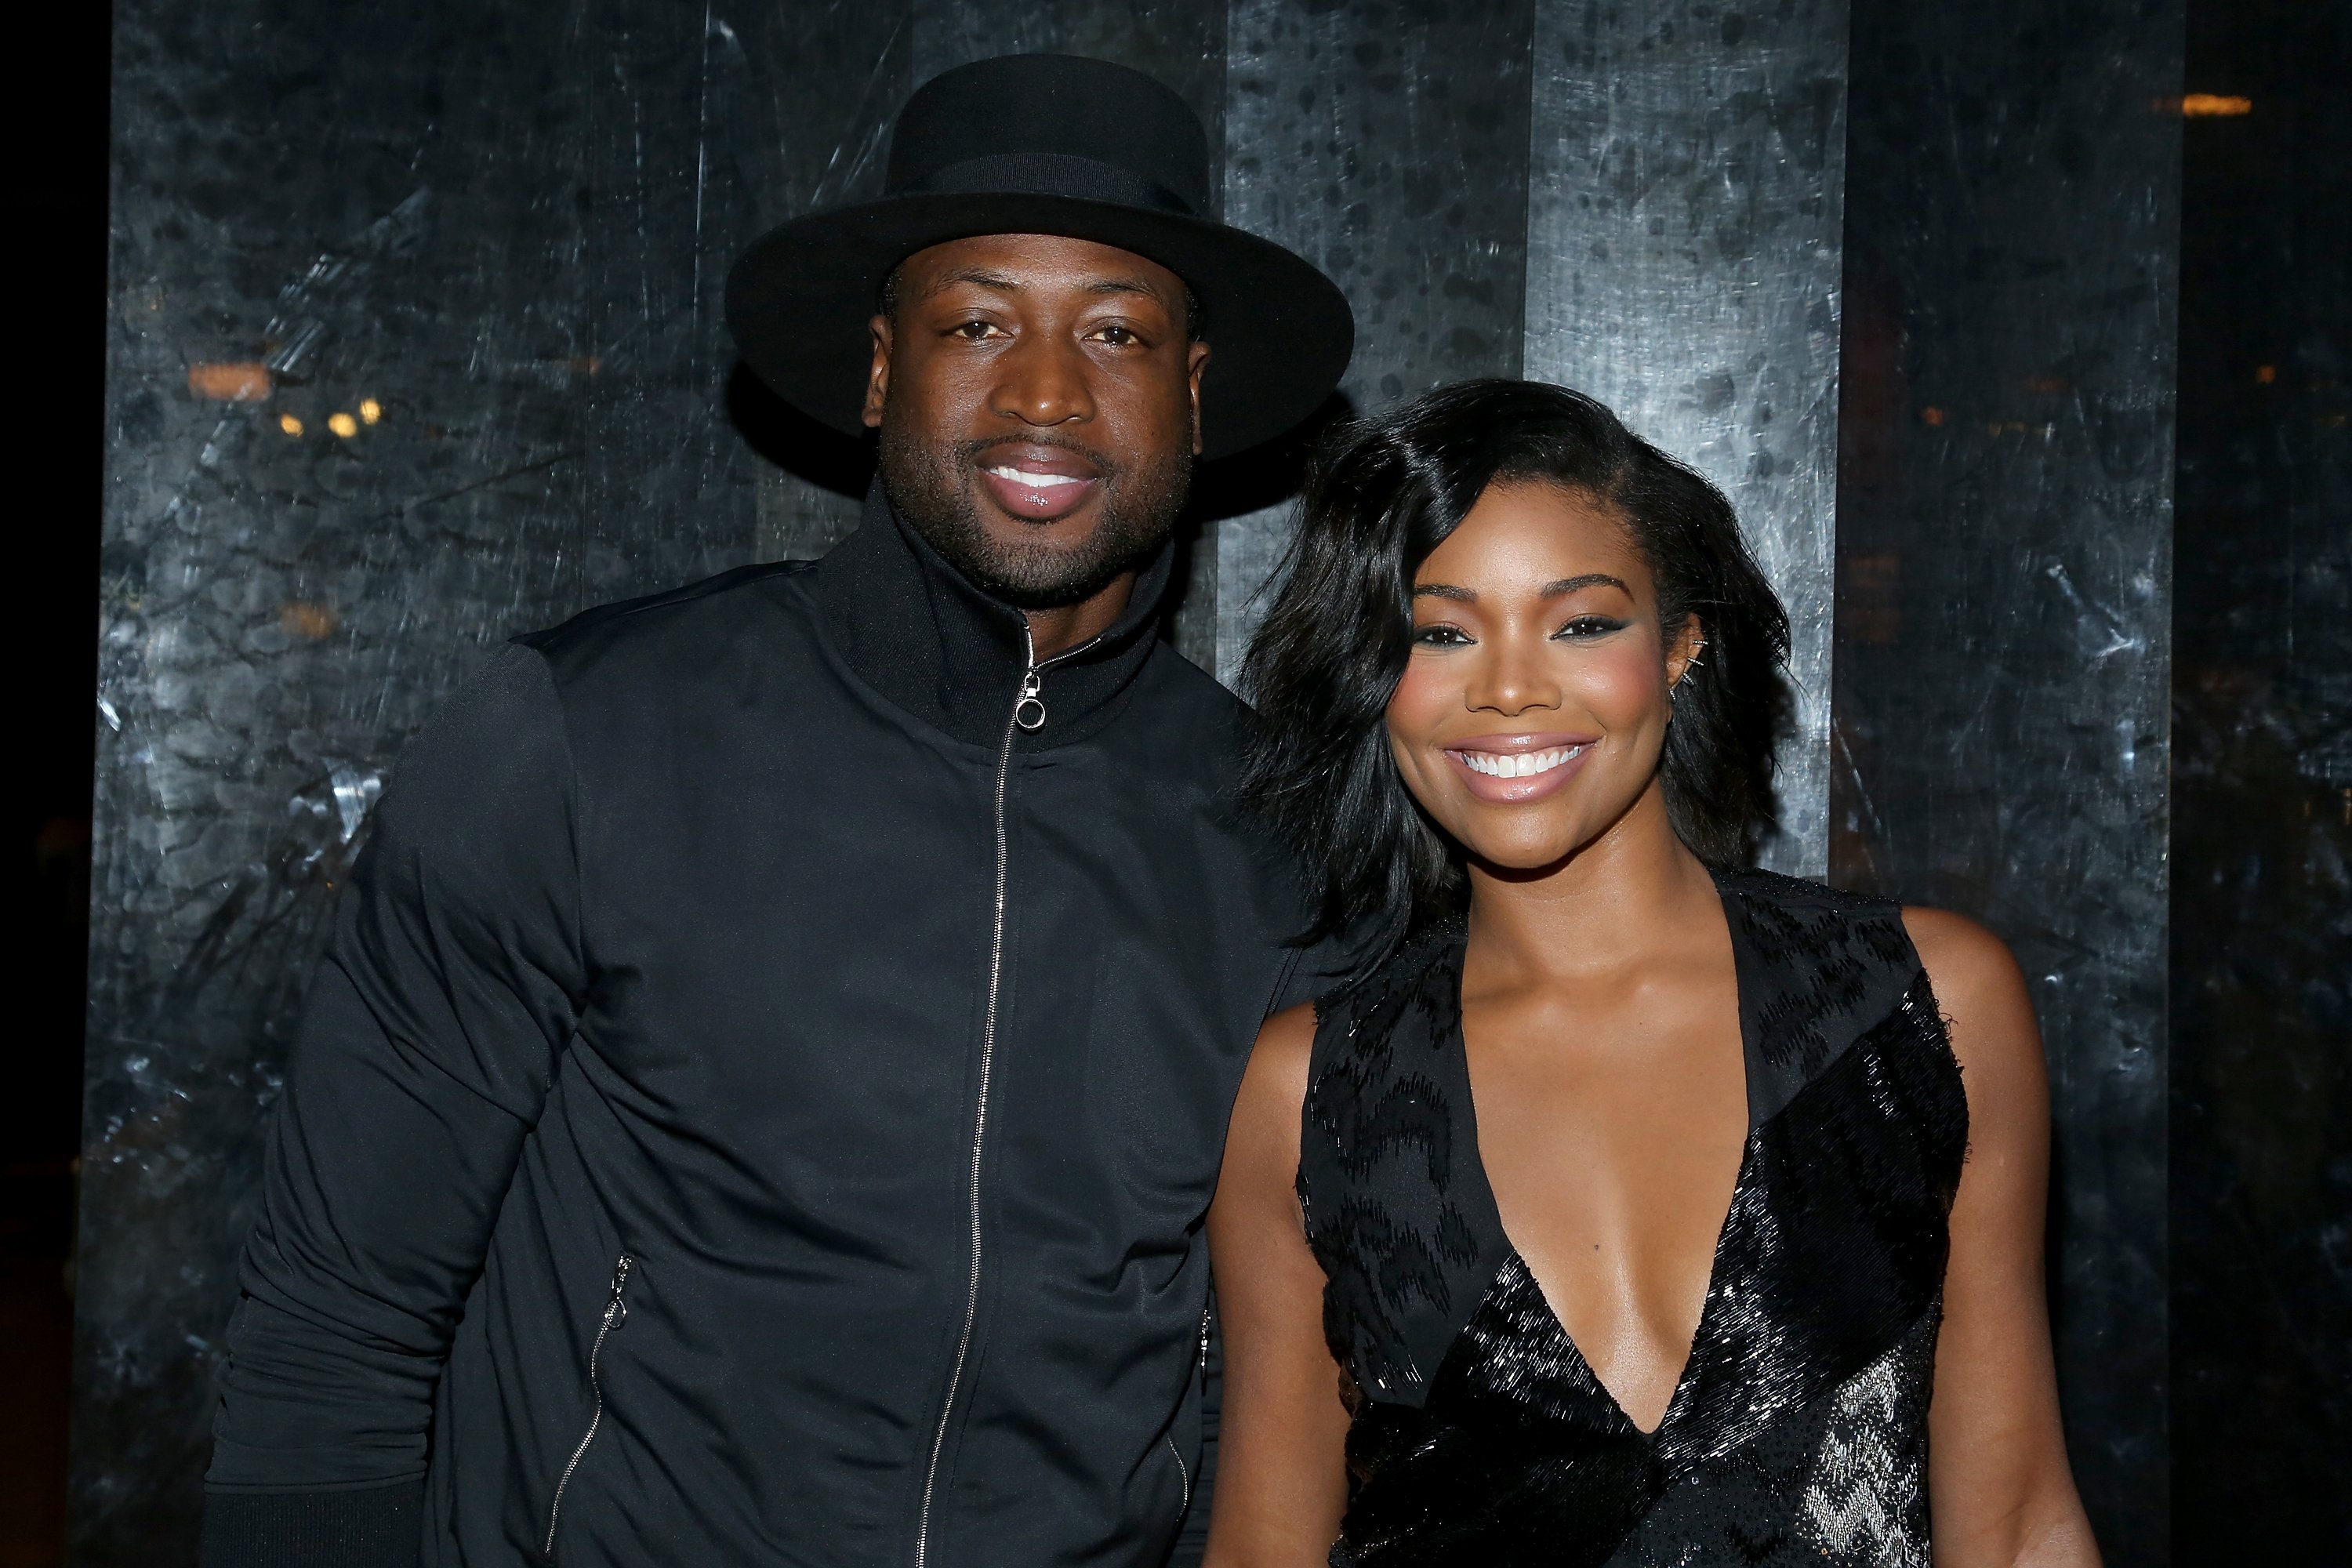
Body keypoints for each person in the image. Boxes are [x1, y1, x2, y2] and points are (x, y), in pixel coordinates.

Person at [200, 54, 1359, 1568]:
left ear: (1192, 396)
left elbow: (1263, 1393)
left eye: (1120, 332)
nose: (1046, 394)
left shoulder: (1285, 837)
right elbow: (333, 1318)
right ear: (884, 368)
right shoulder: (584, 734)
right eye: (979, 322)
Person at [1203, 380, 2101, 1566]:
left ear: (1681, 643)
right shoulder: (1307, 1090)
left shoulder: (1927, 1003)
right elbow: (1266, 1545)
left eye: (1580, 623)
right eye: (1440, 631)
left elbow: (2023, 1520)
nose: (1510, 686)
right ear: (1378, 676)